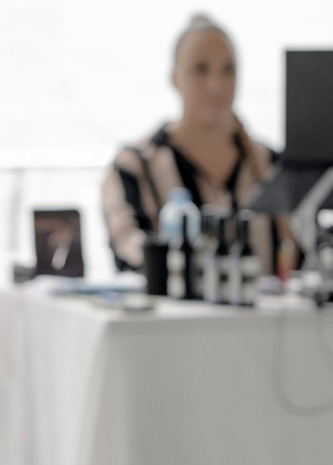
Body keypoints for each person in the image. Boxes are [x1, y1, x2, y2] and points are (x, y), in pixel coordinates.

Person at [102, 14, 289, 274]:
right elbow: (130, 254)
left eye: (228, 70)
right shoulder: (134, 167)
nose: (216, 85)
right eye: (200, 69)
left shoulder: (273, 166)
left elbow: (302, 255)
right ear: (175, 78)